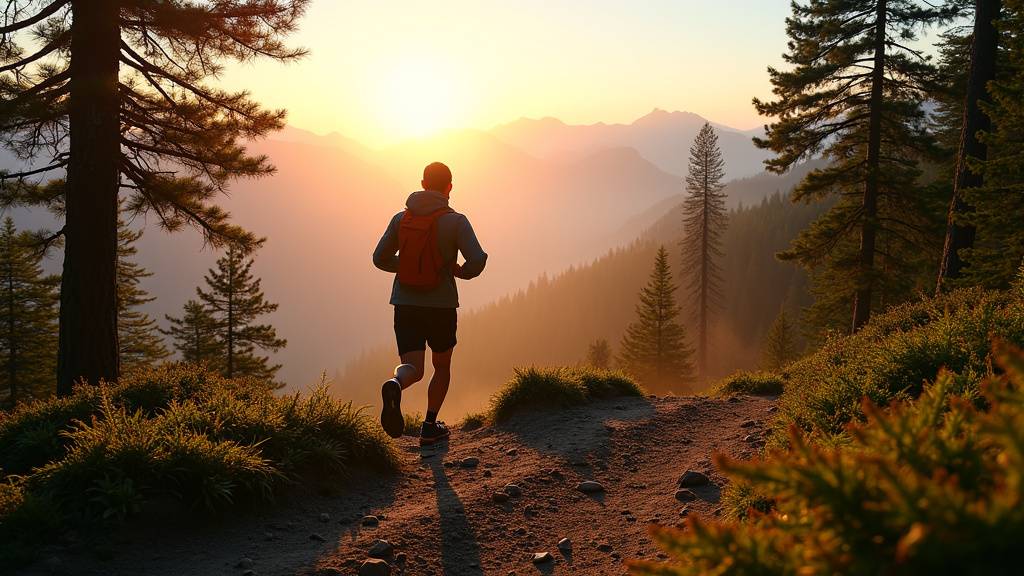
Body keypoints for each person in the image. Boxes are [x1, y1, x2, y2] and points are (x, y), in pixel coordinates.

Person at [372, 162, 487, 445]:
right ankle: (429, 426)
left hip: (405, 302)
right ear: (449, 187)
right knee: (441, 365)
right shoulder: (456, 221)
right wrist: (459, 271)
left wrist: (409, 265)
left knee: (413, 367)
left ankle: (396, 383)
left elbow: (379, 258)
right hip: (441, 305)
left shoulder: (401, 219)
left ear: (423, 184)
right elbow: (477, 259)